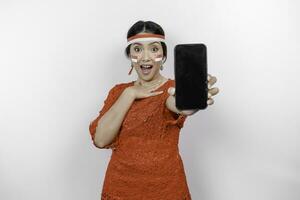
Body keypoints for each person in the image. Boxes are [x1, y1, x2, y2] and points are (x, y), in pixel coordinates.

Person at [89, 20, 219, 200]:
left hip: (166, 189)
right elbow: (101, 140)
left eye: (154, 48)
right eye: (137, 49)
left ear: (164, 55)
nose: (145, 57)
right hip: (120, 189)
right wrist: (130, 93)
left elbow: (178, 104)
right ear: (130, 56)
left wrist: (190, 101)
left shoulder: (172, 88)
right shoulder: (118, 92)